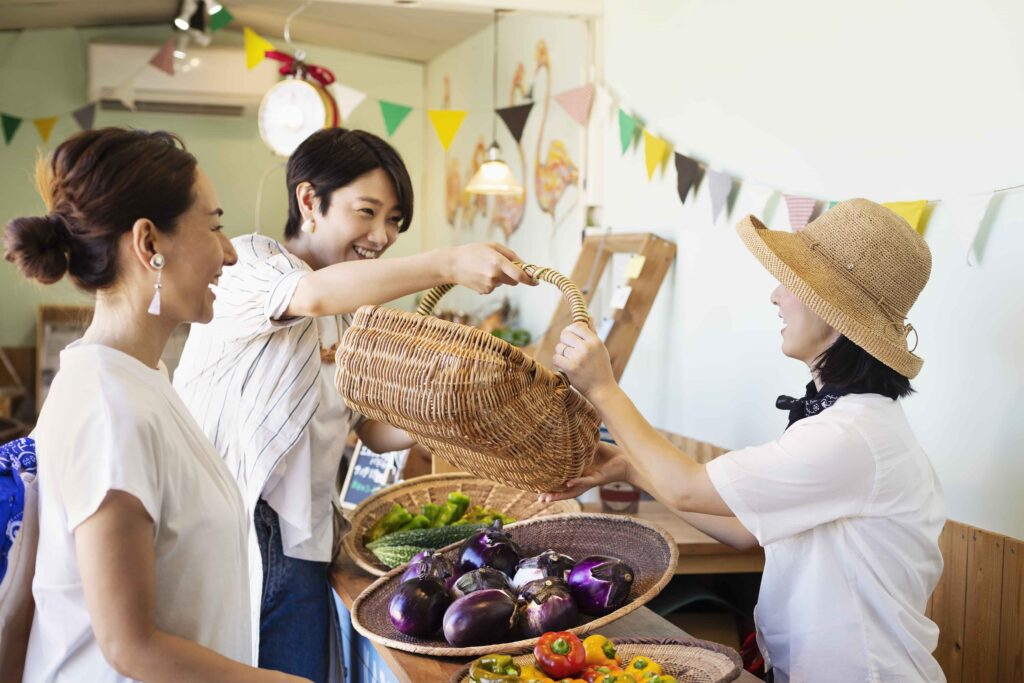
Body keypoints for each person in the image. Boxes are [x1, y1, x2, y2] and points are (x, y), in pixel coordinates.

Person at [172, 127, 536, 681]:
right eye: (367, 212)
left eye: (394, 221)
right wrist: (445, 263)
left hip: (305, 540)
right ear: (309, 201)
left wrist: (458, 413)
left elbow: (372, 428)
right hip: (235, 530)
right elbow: (311, 294)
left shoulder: (344, 315)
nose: (382, 234)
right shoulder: (249, 262)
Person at [542, 199, 946, 683]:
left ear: (834, 312)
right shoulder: (847, 423)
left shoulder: (850, 435)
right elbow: (743, 531)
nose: (776, 295)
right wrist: (630, 468)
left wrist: (603, 388)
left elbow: (689, 487)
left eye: (791, 283)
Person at [4, 128, 308, 682]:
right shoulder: (110, 405)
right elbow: (129, 645)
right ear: (149, 244)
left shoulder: (138, 378)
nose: (230, 251)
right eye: (214, 225)